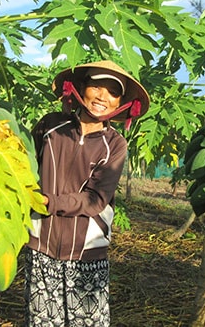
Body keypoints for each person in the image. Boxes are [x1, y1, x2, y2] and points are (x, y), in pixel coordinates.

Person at [24, 60, 150, 327]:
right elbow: (26, 166)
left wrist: (49, 202)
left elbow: (96, 199)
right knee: (41, 322)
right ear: (81, 88)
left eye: (113, 92)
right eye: (96, 86)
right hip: (41, 246)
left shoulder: (115, 144)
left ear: (121, 104)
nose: (103, 96)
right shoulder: (50, 126)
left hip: (86, 255)